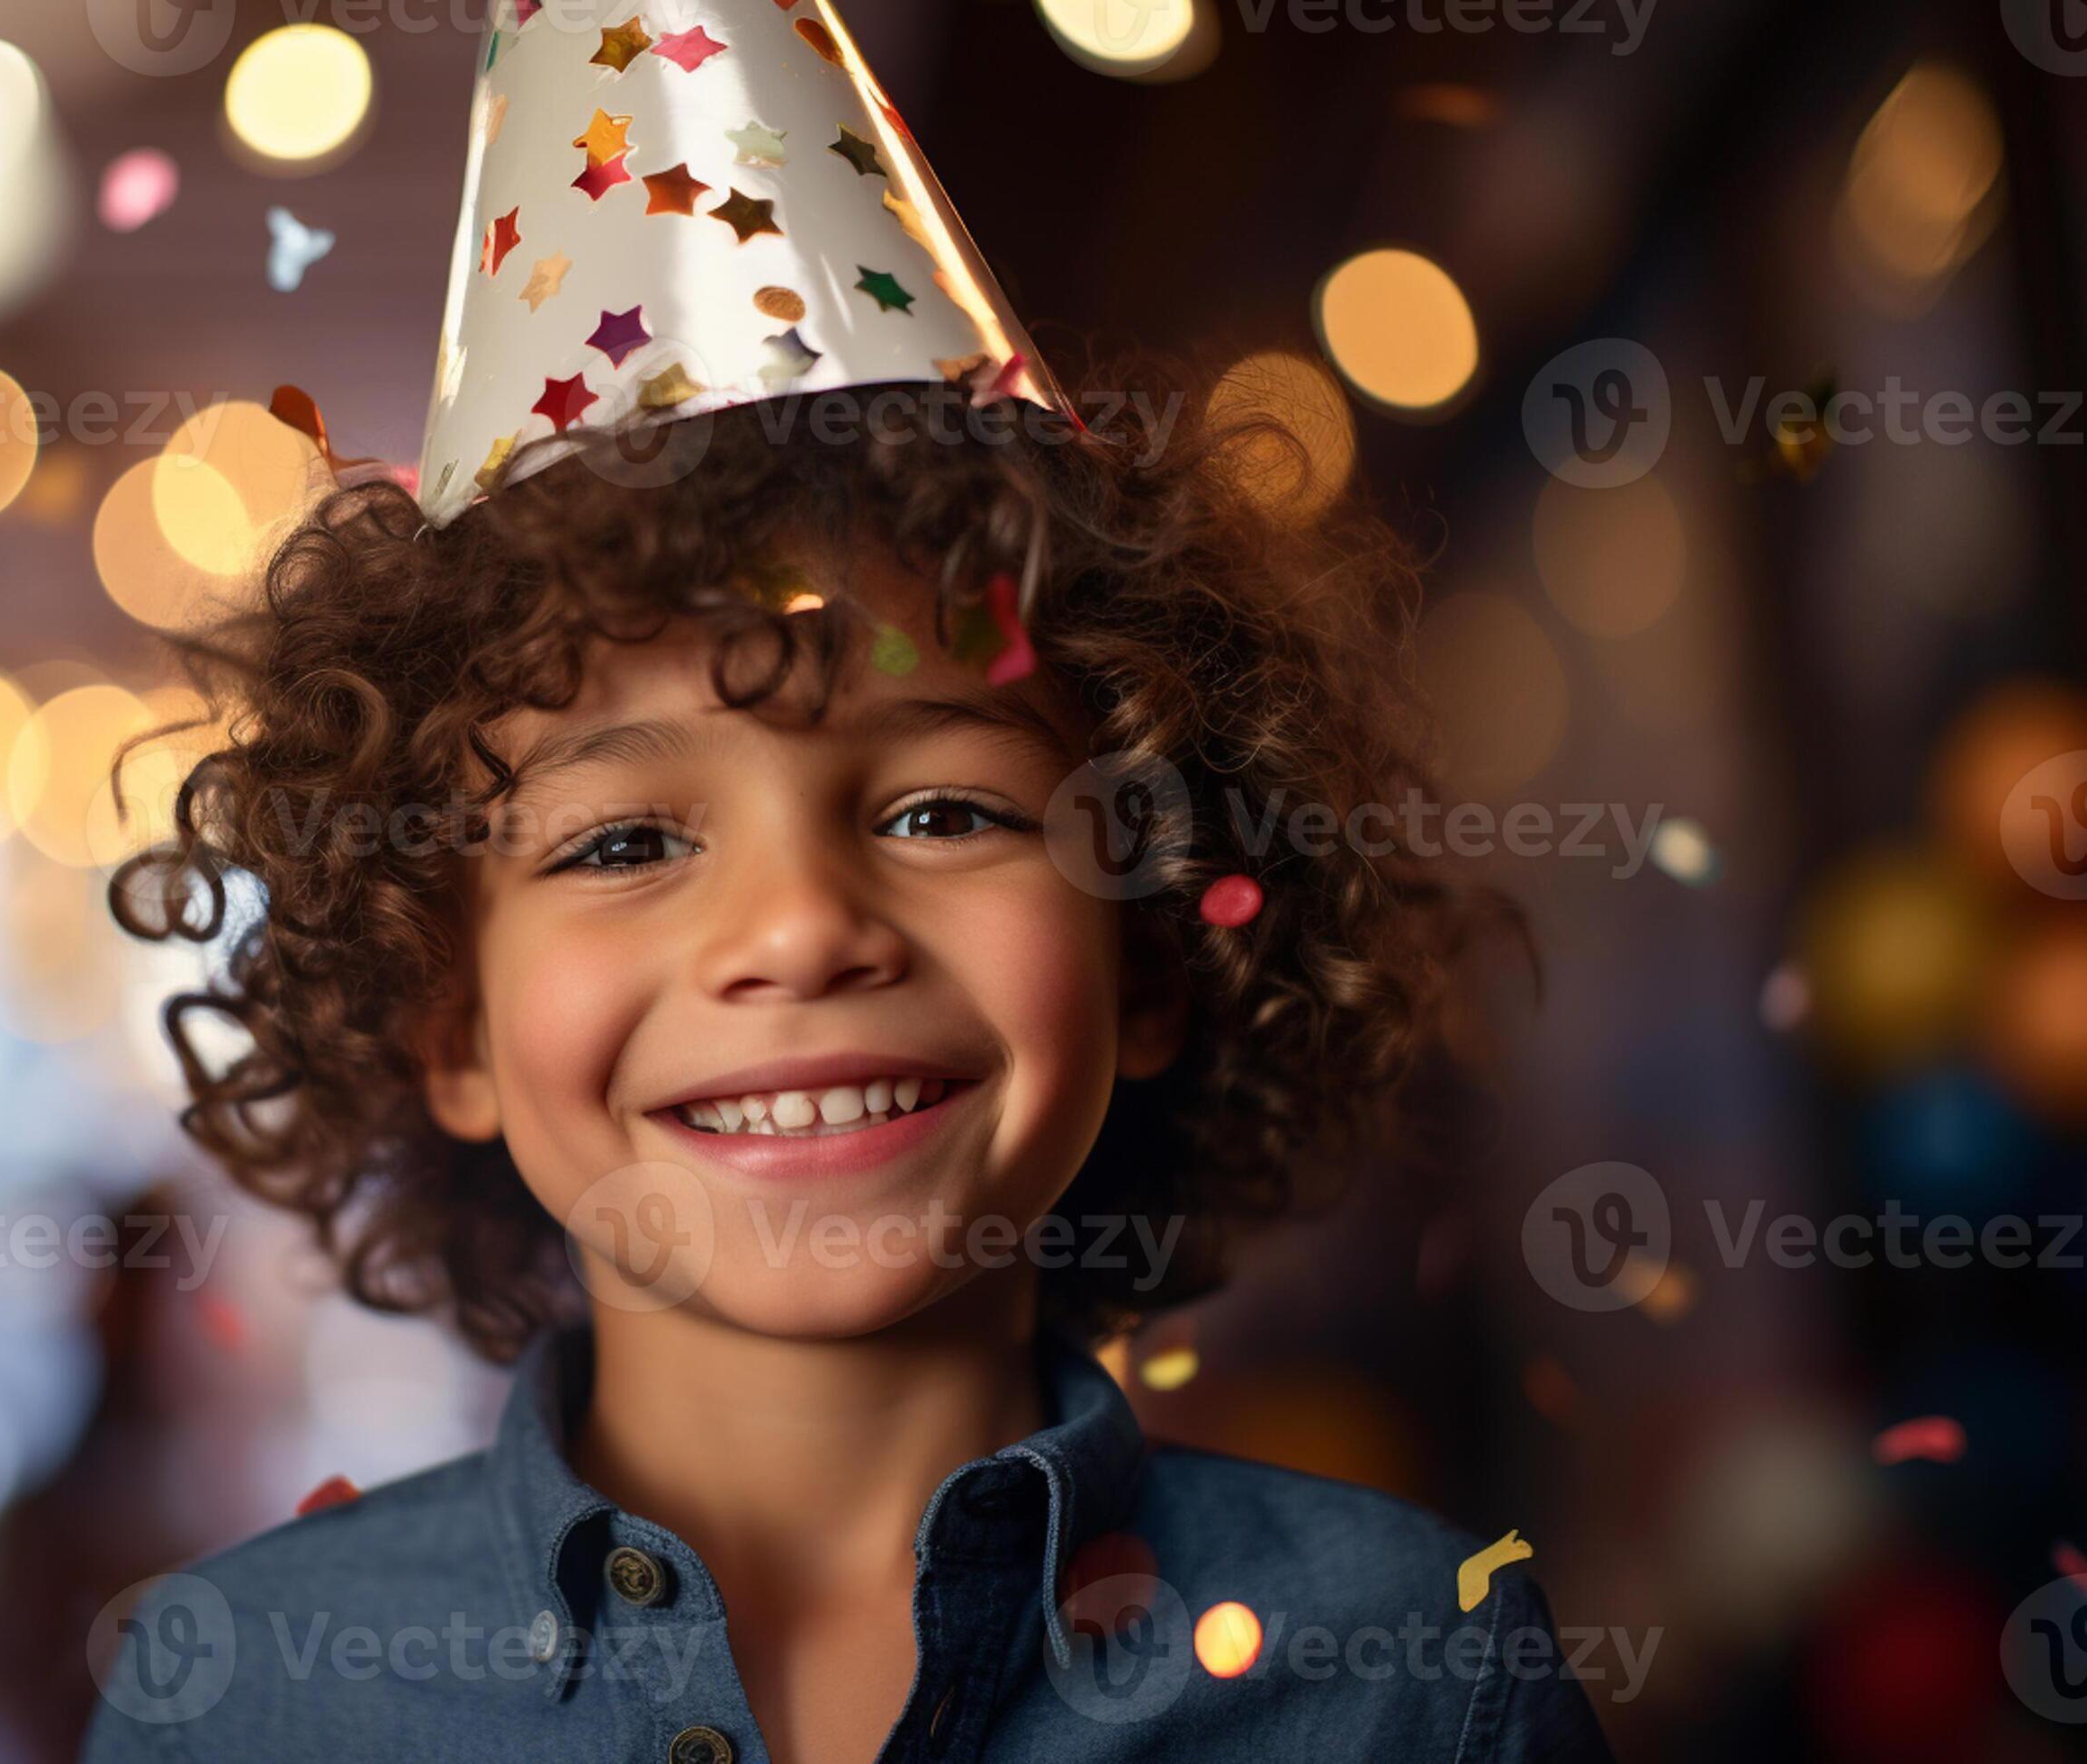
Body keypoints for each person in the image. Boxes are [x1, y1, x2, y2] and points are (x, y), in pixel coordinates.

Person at [86, 4, 1614, 1760]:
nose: (804, 927)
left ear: (1159, 929)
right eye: (626, 840)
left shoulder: (1419, 1673)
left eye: (946, 812)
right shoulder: (241, 1695)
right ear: (451, 1016)